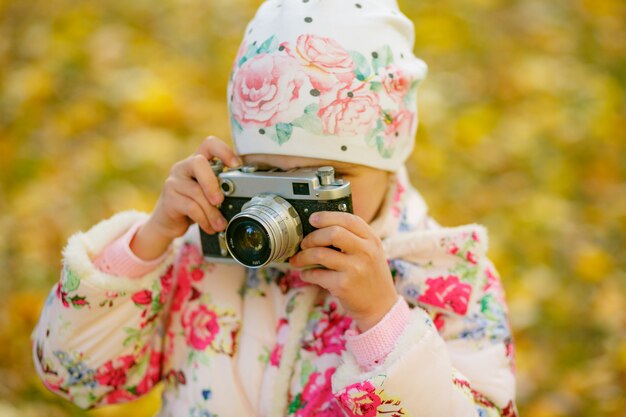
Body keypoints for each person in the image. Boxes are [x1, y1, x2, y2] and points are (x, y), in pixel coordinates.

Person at [32, 0, 517, 416]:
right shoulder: (205, 255)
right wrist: (150, 242)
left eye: (326, 180)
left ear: (390, 162)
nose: (284, 205)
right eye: (265, 172)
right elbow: (74, 375)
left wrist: (383, 321)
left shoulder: (446, 276)